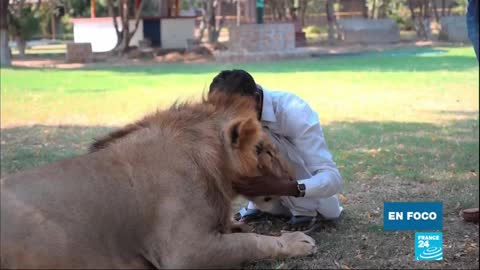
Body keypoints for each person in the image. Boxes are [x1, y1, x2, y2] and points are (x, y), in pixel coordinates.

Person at [209, 69, 343, 233]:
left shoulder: (294, 111)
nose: (229, 118)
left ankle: (304, 212)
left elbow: (333, 178)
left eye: (235, 110)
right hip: (272, 199)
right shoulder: (228, 120)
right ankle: (259, 207)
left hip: (310, 197)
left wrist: (284, 188)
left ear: (256, 99)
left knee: (264, 140)